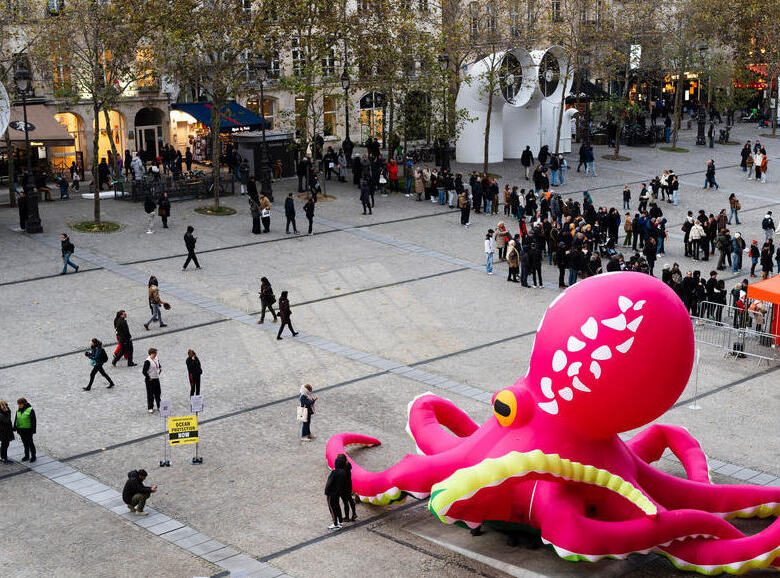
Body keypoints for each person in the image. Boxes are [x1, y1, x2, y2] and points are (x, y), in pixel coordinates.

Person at [325, 454, 346, 530]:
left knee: (332, 508)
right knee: (337, 506)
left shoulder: (334, 472)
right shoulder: (344, 472)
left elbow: (329, 483)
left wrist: (327, 492)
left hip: (331, 493)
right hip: (338, 493)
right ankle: (340, 522)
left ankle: (335, 523)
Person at [13, 398, 36, 462]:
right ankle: (27, 456)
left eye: (20, 404)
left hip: (28, 430)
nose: (19, 405)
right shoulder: (18, 411)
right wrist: (15, 427)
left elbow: (34, 421)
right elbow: (16, 419)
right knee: (25, 443)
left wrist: (33, 430)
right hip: (21, 430)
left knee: (30, 443)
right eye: (18, 404)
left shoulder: (30, 410)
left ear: (24, 403)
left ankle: (33, 456)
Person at [142, 348, 162, 414]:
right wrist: (148, 377)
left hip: (156, 378)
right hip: (150, 380)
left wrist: (160, 367)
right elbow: (144, 371)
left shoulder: (156, 358)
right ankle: (150, 407)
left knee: (158, 393)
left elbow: (158, 364)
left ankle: (159, 406)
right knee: (150, 394)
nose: (156, 354)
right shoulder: (147, 361)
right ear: (151, 353)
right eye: (155, 353)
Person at [339, 454, 357, 522]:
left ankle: (347, 517)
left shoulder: (341, 469)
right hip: (349, 485)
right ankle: (354, 513)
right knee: (350, 499)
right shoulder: (348, 465)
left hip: (343, 487)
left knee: (345, 502)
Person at [0, 400, 14, 464]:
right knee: (5, 445)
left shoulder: (5, 411)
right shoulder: (1, 413)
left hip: (6, 431)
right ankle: (4, 458)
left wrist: (8, 411)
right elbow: (7, 420)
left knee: (4, 444)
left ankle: (2, 457)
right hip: (4, 432)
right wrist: (8, 411)